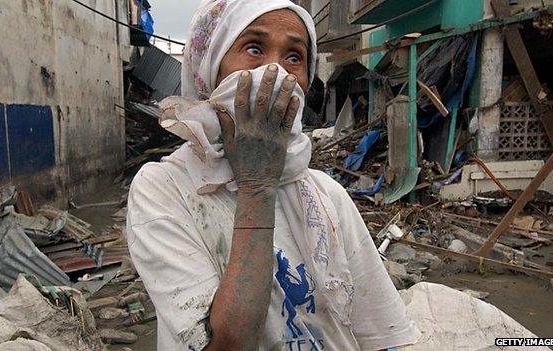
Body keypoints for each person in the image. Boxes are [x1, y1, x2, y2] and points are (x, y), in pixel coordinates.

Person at [126, 1, 421, 350]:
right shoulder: (163, 189)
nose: (276, 73)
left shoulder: (326, 194)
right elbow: (228, 343)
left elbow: (382, 333)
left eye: (294, 57)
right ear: (210, 70)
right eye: (254, 48)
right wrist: (257, 184)